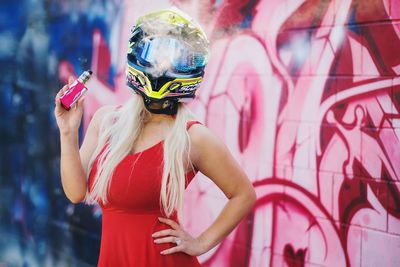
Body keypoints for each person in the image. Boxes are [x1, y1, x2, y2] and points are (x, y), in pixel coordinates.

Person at [54, 7, 256, 267]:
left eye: (175, 58)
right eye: (154, 54)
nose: (162, 66)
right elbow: (75, 192)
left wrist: (202, 242)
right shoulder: (106, 121)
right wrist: (68, 132)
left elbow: (243, 194)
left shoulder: (193, 137)